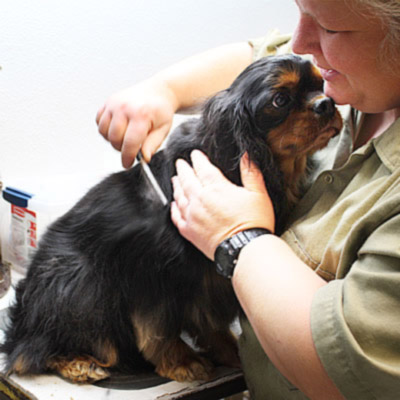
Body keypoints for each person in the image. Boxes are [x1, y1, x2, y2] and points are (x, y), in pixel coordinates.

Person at [96, 0, 400, 398]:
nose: (300, 40)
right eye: (300, 12)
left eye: (330, 28)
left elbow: (348, 374)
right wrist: (163, 89)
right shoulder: (356, 74)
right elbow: (263, 54)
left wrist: (241, 239)